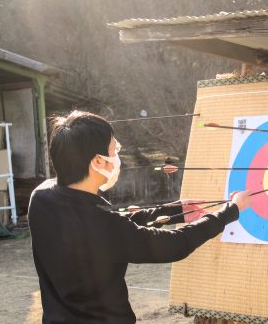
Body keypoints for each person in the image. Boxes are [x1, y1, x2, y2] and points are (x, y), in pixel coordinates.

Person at [28, 110, 251, 324]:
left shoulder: (41, 197)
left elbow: (110, 226)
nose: (117, 157)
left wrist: (175, 211)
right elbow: (175, 244)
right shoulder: (103, 224)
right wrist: (230, 211)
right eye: (114, 150)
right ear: (97, 161)